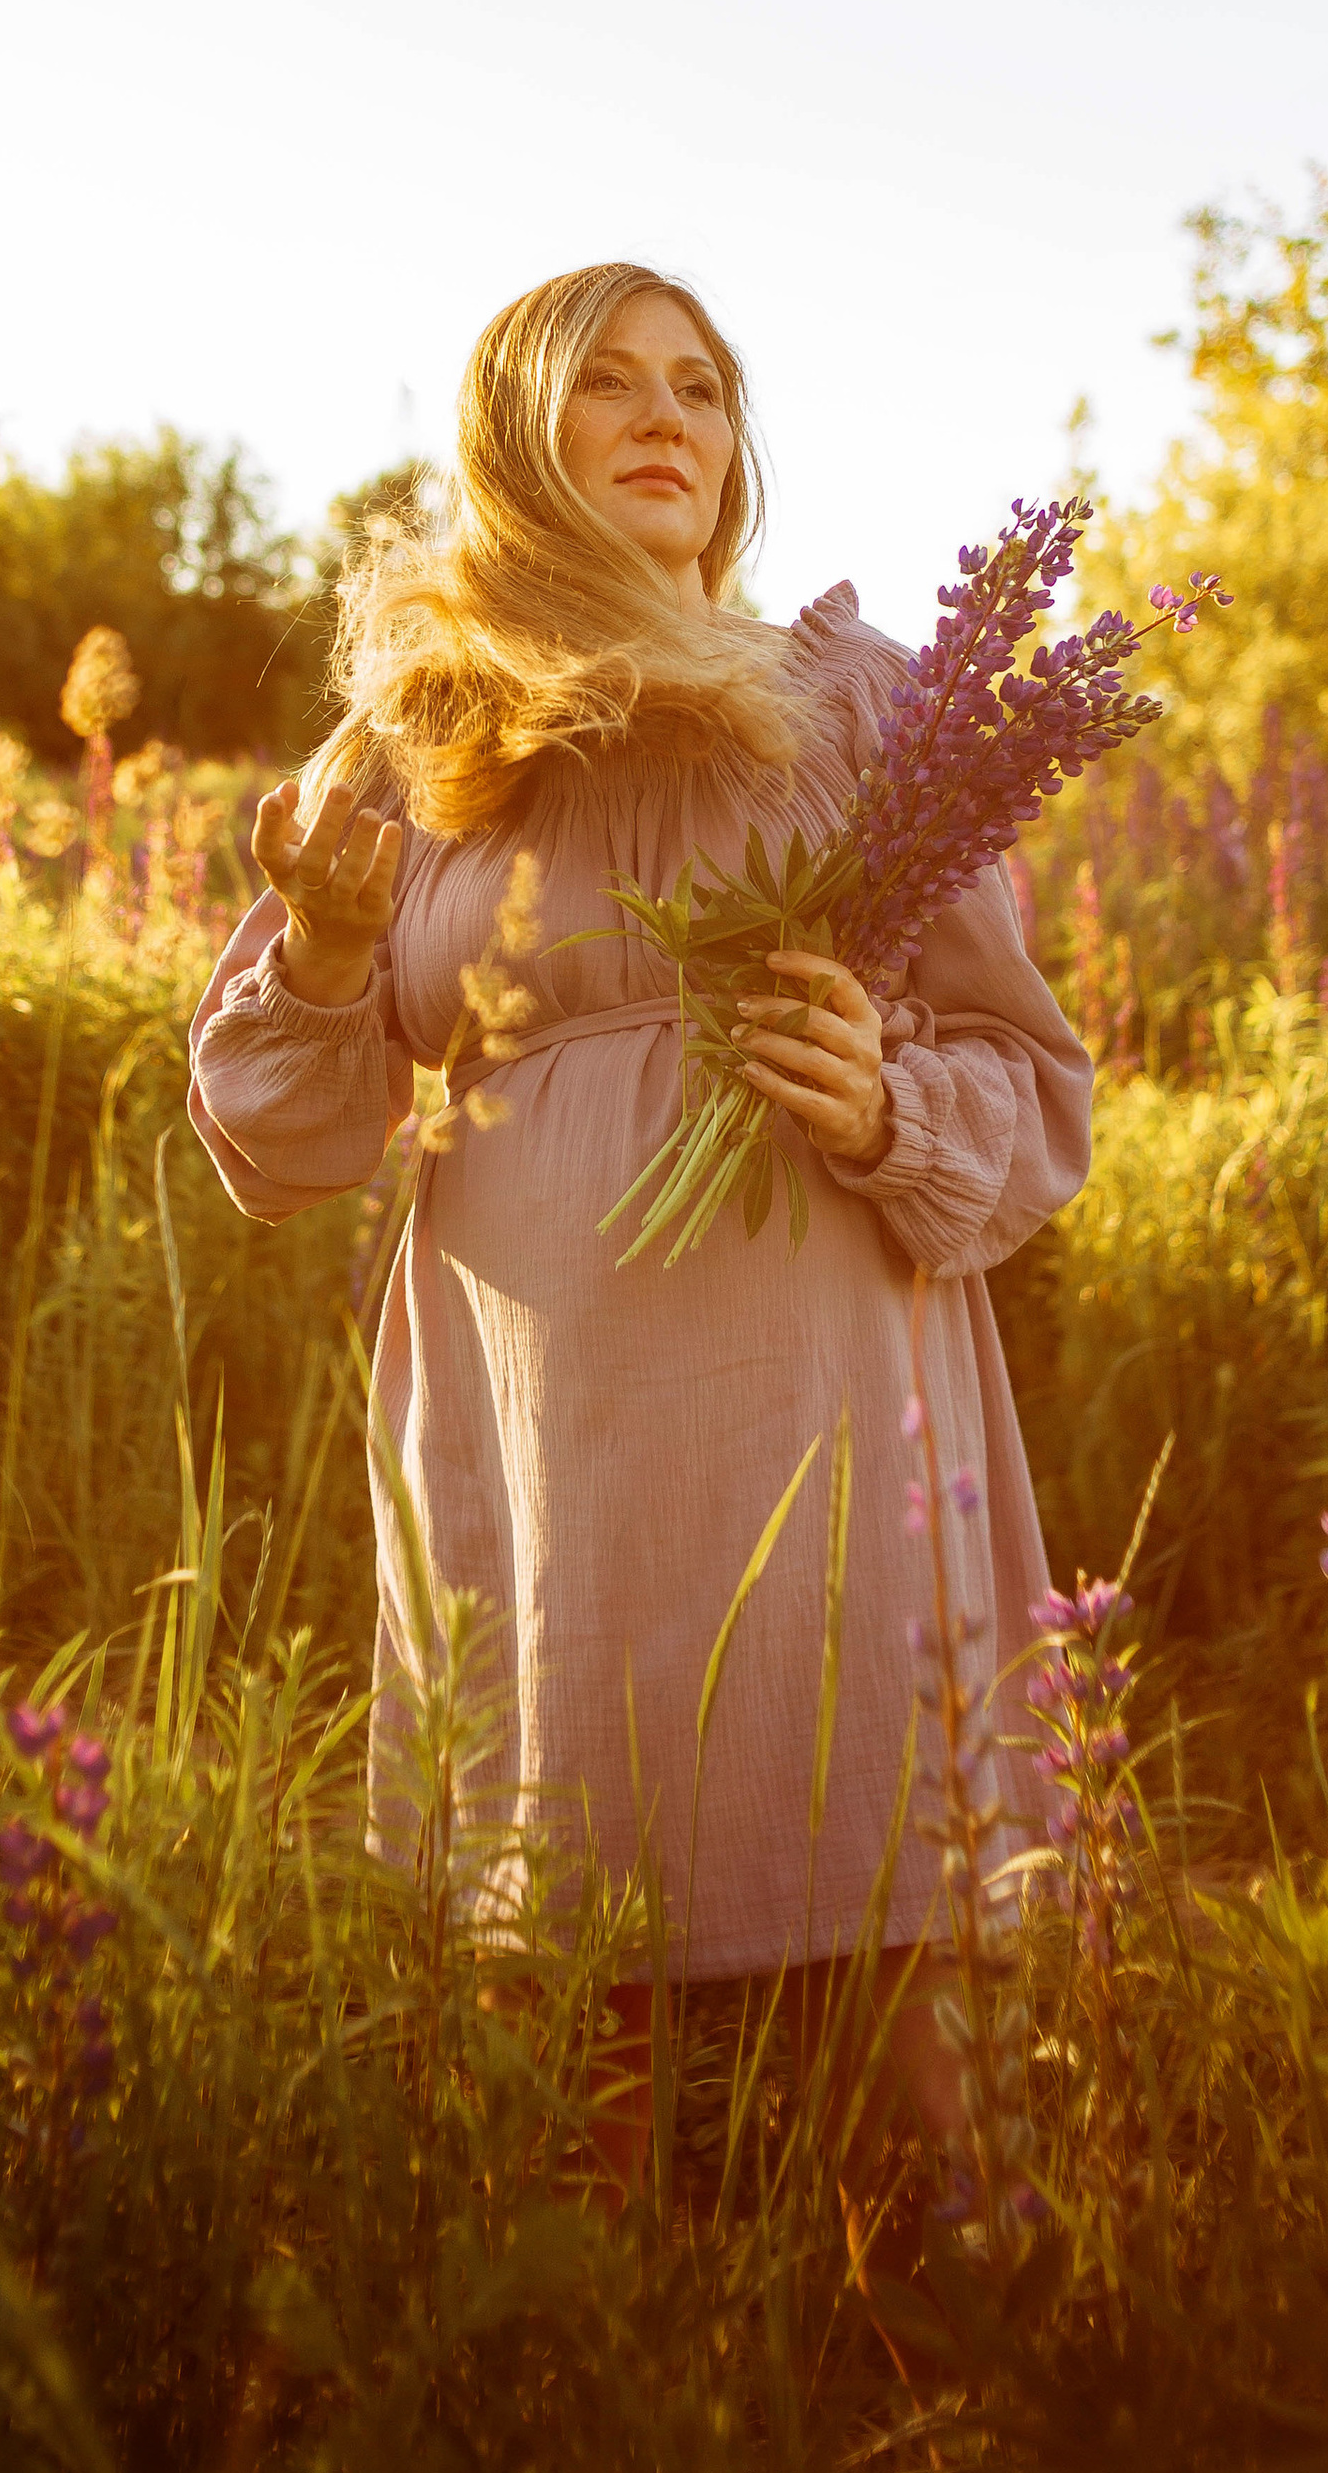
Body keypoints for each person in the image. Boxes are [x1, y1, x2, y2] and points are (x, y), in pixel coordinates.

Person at [187, 260, 1093, 2199]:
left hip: (825, 1419)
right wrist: (335, 942)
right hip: (547, 1456)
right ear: (516, 439)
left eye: (699, 383)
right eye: (607, 384)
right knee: (560, 2045)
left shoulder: (864, 710)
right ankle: (598, 2452)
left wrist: (888, 1098)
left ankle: (957, 2456)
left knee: (901, 2044)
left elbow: (1034, 1099)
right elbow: (280, 1141)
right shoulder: (414, 742)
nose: (667, 414)